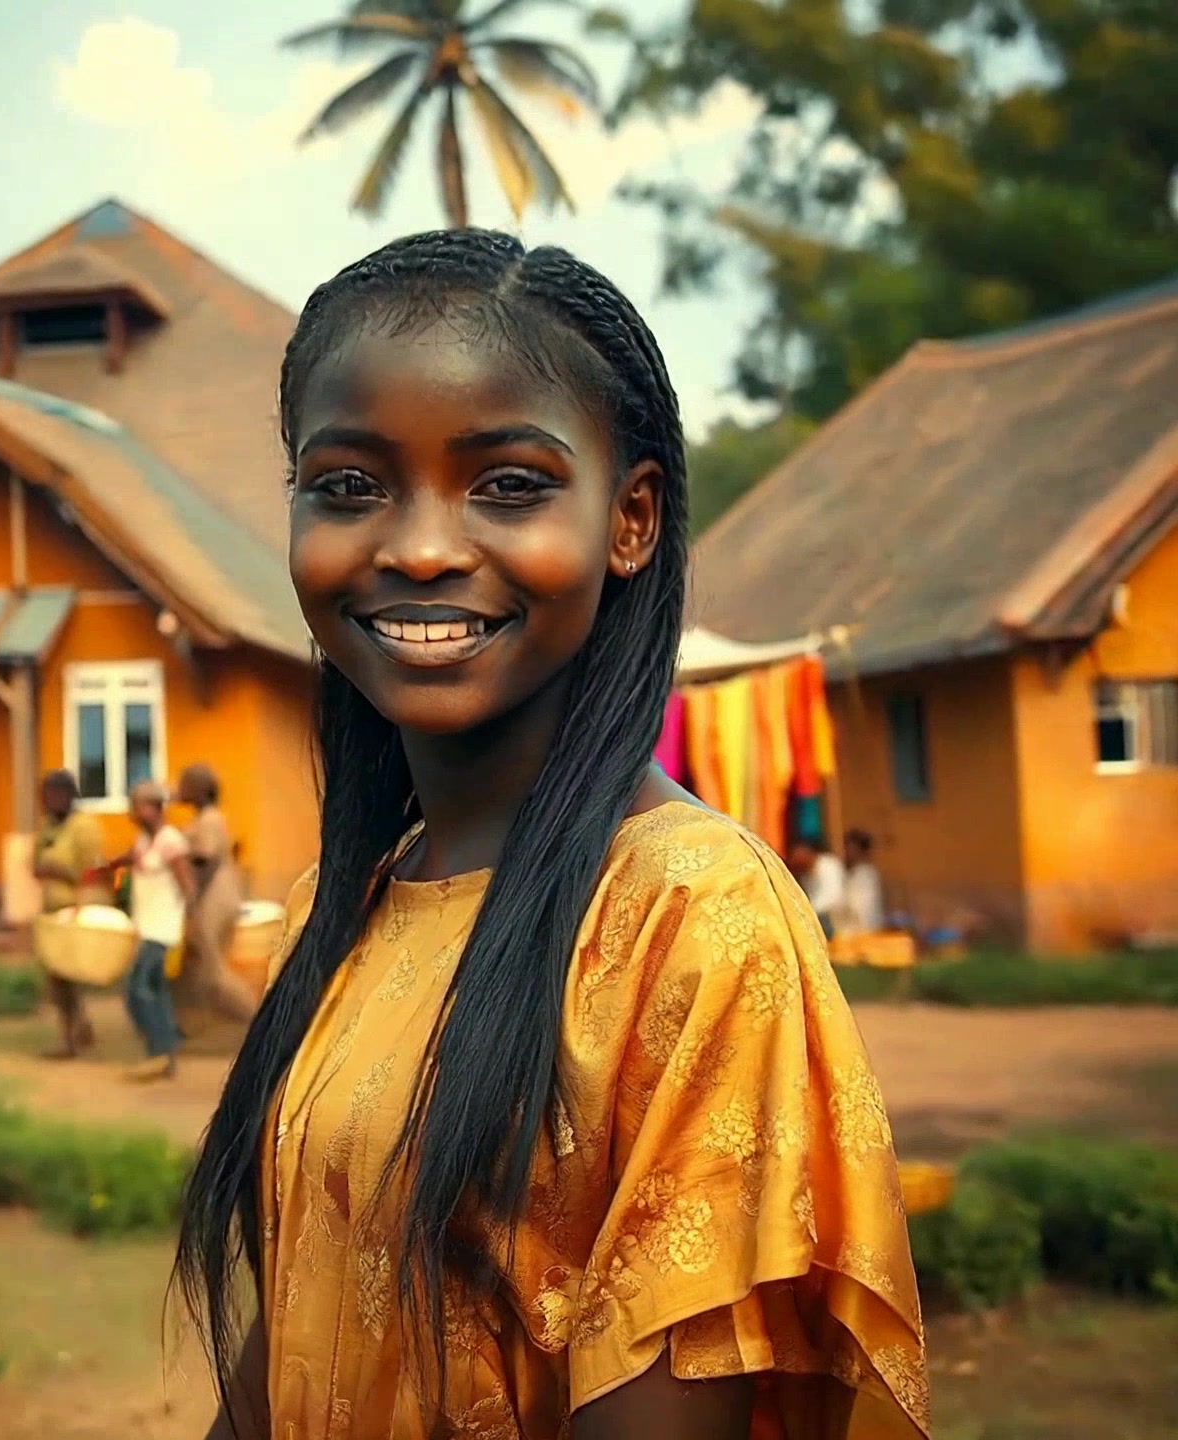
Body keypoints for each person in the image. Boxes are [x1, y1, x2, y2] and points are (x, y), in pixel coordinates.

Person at [174, 231, 928, 1440]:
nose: (417, 545)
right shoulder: (353, 898)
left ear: (629, 522)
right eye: (351, 485)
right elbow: (296, 1338)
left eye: (508, 484)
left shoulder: (693, 920)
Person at [94, 780, 196, 1082]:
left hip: (162, 931)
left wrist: (188, 926)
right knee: (157, 991)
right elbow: (127, 859)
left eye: (138, 806)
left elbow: (187, 886)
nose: (132, 813)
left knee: (136, 990)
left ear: (155, 808)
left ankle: (159, 1052)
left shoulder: (170, 841)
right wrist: (104, 867)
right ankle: (165, 1056)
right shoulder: (143, 841)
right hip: (147, 926)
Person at [31, 769, 107, 1059]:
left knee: (67, 974)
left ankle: (69, 1040)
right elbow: (36, 864)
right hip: (52, 912)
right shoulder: (48, 827)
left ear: (67, 795)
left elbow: (94, 872)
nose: (47, 802)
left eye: (53, 795)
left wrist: (63, 873)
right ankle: (79, 1028)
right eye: (44, 797)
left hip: (75, 909)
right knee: (58, 978)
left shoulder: (84, 827)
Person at [173, 762, 256, 1025]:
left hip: (213, 899)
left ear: (199, 789)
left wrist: (192, 895)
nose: (179, 788)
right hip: (216, 897)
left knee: (215, 971)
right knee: (200, 969)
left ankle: (258, 1021)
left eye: (185, 783)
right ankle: (202, 1027)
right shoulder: (202, 819)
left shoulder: (210, 819)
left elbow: (205, 861)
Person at [788, 834, 847, 940]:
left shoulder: (829, 866)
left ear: (808, 851)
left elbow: (833, 898)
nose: (794, 857)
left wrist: (804, 913)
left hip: (837, 922)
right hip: (820, 921)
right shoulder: (805, 874)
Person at [843, 828, 886, 934]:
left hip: (866, 930)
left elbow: (863, 909)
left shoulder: (866, 875)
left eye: (849, 848)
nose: (846, 852)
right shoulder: (852, 873)